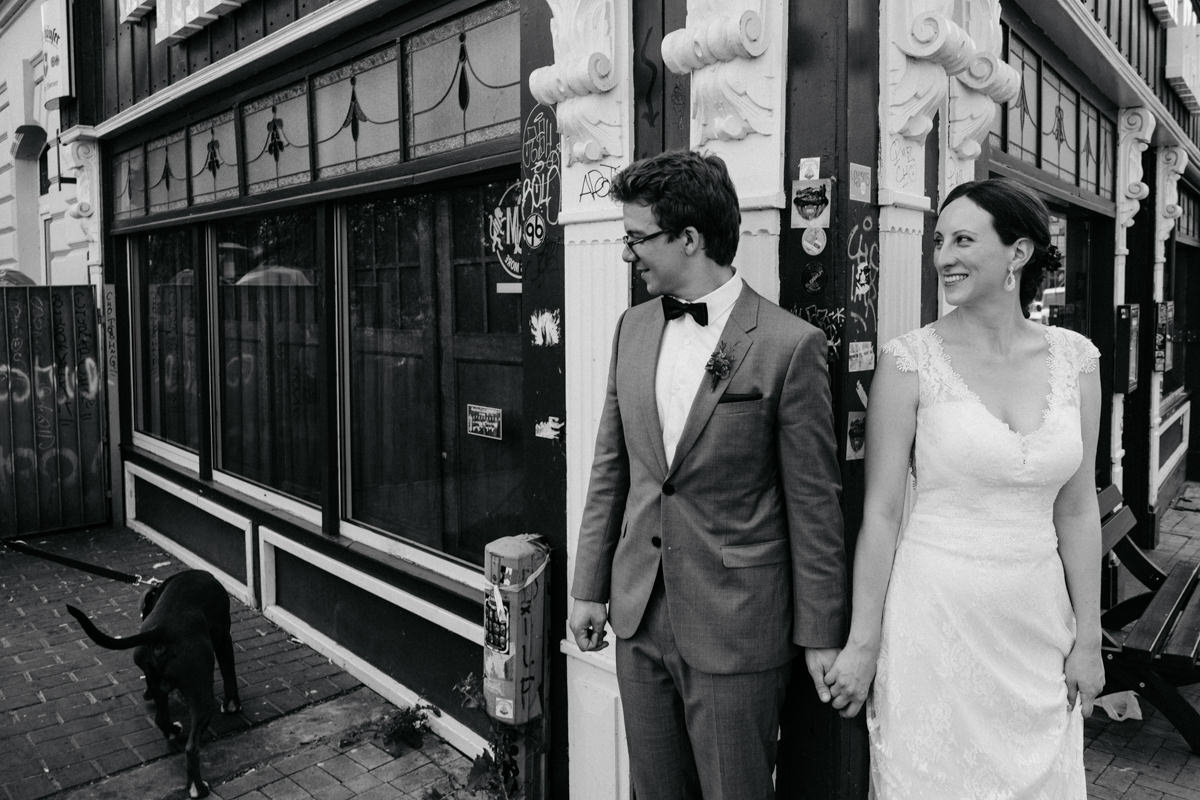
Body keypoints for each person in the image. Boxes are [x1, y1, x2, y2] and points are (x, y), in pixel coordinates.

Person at [568, 150, 846, 800]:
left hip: (738, 627)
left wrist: (821, 636)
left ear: (690, 239)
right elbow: (613, 467)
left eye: (637, 238)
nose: (627, 253)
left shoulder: (786, 345)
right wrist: (589, 587)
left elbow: (815, 506)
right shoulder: (632, 329)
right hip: (639, 615)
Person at [823, 177, 1104, 798]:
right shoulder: (908, 363)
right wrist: (863, 641)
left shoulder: (1078, 361)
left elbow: (1079, 510)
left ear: (1019, 253)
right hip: (935, 620)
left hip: (1037, 619)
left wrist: (1088, 637)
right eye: (939, 240)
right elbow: (883, 514)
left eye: (963, 240)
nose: (943, 256)